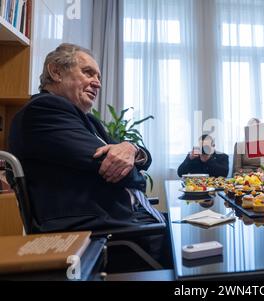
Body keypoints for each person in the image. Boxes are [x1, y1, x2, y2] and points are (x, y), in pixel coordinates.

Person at [8, 44, 170, 267]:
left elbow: (142, 159)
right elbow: (125, 174)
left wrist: (132, 148)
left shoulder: (88, 120)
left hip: (120, 221)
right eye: (88, 72)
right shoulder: (44, 110)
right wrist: (134, 169)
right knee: (201, 253)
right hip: (101, 236)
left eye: (99, 76)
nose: (98, 82)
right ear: (56, 72)